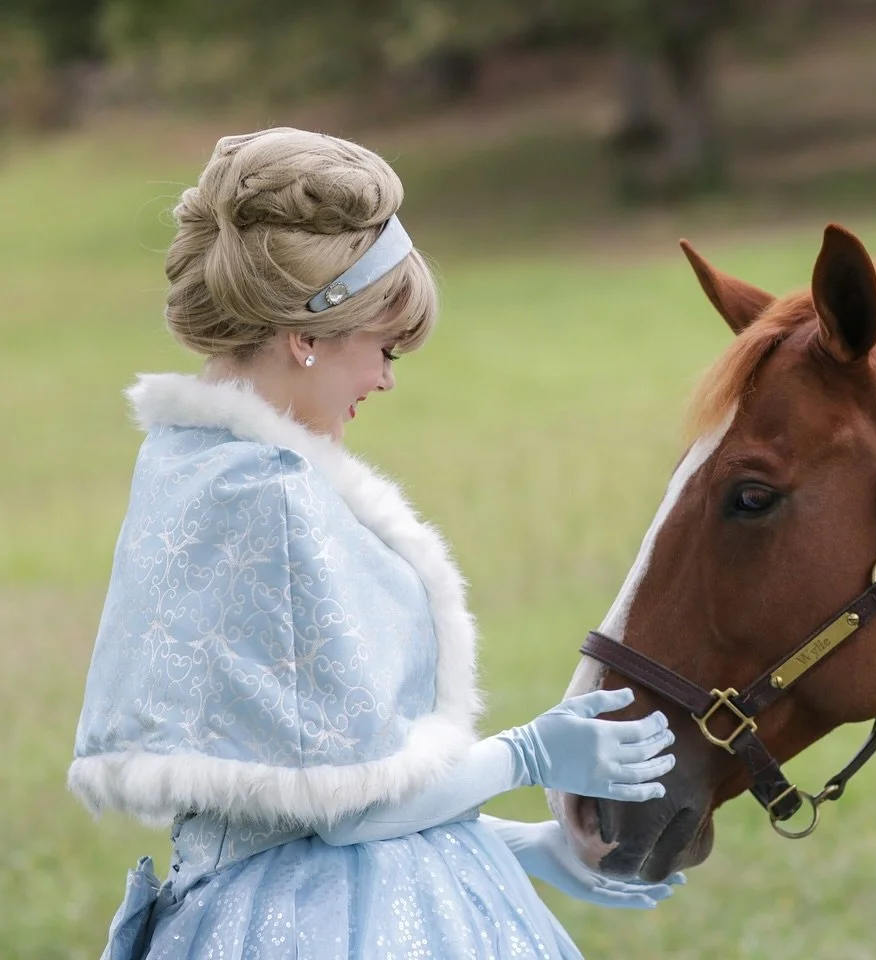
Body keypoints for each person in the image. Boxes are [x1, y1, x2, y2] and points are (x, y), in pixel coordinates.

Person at [68, 127, 682, 960]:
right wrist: (528, 753)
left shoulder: (194, 465)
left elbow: (294, 819)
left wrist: (519, 847)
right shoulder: (273, 500)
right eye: (383, 348)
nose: (387, 379)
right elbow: (354, 814)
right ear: (308, 336)